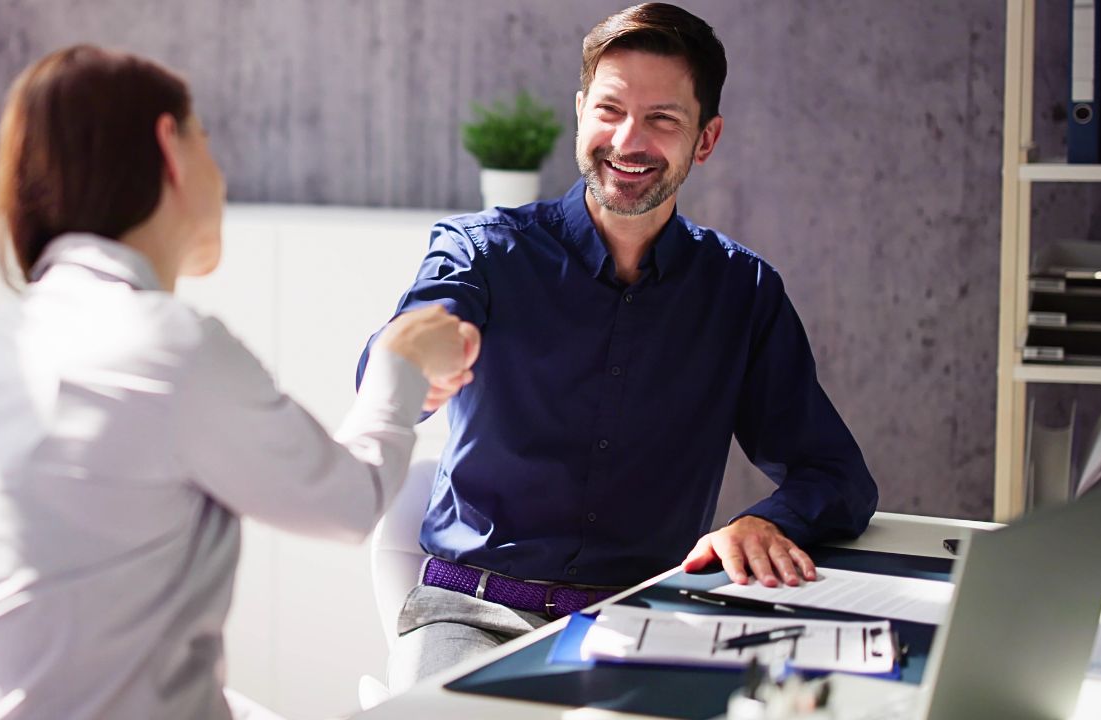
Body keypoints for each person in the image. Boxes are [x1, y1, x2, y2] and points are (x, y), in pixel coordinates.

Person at [0, 45, 479, 720]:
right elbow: (350, 502)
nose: (221, 174)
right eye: (205, 139)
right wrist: (400, 363)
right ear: (170, 146)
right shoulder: (169, 344)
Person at [356, 3, 878, 690]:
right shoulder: (480, 252)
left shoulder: (742, 292)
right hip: (469, 614)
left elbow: (836, 477)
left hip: (640, 625)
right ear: (581, 113)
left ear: (706, 138)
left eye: (662, 119)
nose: (628, 140)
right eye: (610, 110)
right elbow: (398, 360)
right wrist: (419, 360)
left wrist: (763, 523)